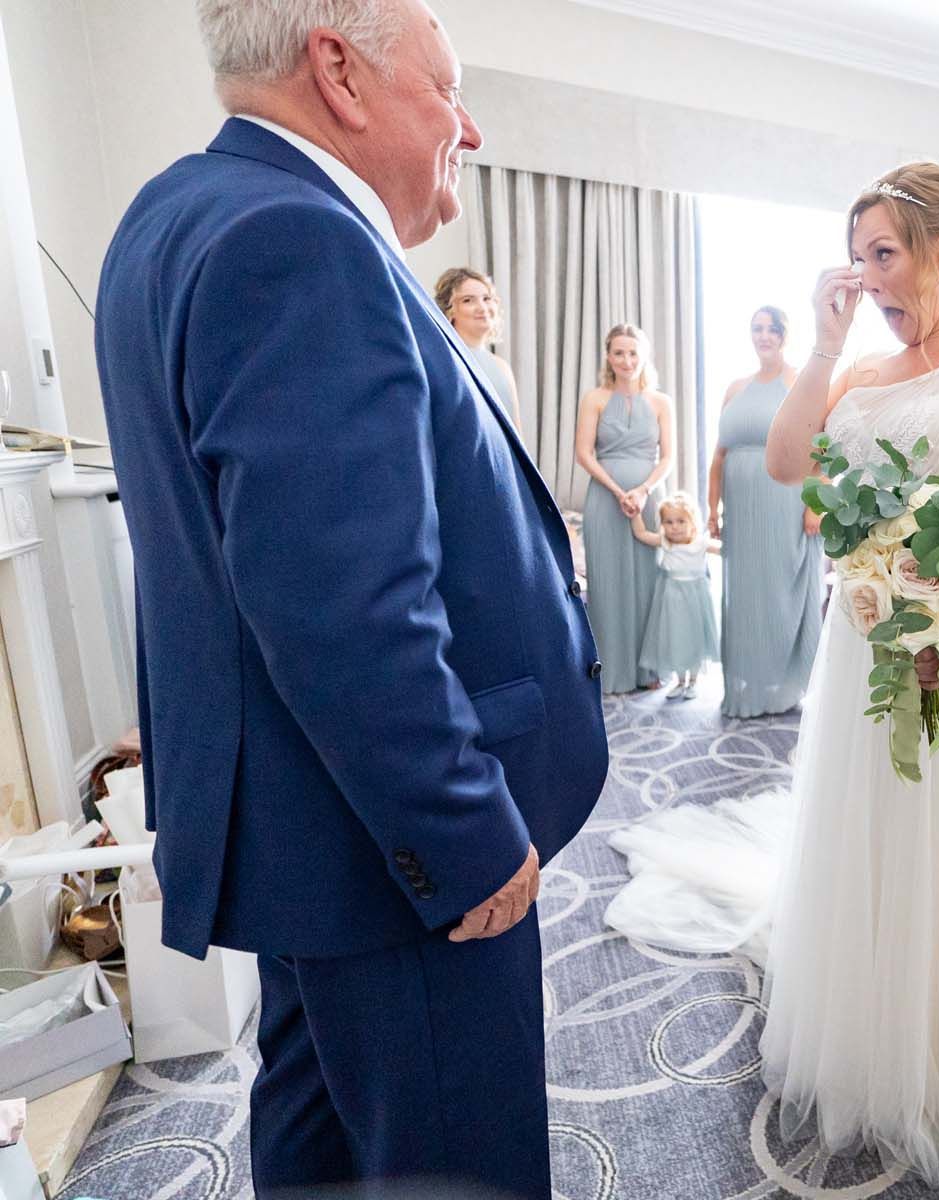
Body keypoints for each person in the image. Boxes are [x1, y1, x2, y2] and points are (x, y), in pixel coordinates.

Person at [93, 2, 608, 1196]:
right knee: (453, 1165)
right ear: (338, 71)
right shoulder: (300, 238)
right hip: (392, 855)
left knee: (321, 1130)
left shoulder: (175, 213)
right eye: (447, 88)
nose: (468, 127)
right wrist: (462, 839)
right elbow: (344, 604)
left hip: (305, 836)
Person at [605, 162, 939, 1188]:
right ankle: (875, 994)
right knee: (872, 817)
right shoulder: (860, 374)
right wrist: (828, 338)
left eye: (886, 255)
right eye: (858, 259)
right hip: (868, 637)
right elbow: (789, 462)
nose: (871, 278)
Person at [707, 306, 823, 718]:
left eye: (772, 329)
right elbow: (719, 454)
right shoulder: (735, 388)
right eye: (757, 328)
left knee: (778, 593)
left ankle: (784, 687)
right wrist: (711, 509)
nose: (764, 336)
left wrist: (816, 504)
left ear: (785, 335)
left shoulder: (798, 383)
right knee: (744, 596)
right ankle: (747, 684)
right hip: (740, 510)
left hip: (785, 502)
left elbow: (820, 451)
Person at [575, 324, 675, 693]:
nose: (626, 360)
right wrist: (619, 491)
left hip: (649, 499)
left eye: (633, 353)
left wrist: (643, 490)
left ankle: (649, 670)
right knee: (608, 582)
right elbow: (584, 453)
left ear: (644, 355)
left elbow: (668, 456)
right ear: (608, 356)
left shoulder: (661, 401)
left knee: (650, 582)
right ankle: (612, 670)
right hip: (605, 498)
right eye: (619, 352)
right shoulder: (595, 398)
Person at [629, 492, 720, 700]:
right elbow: (641, 534)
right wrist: (635, 515)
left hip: (696, 600)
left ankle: (694, 681)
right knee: (676, 638)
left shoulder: (700, 543)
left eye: (680, 521)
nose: (675, 527)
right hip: (672, 599)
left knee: (694, 638)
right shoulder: (665, 542)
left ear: (692, 522)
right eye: (668, 522)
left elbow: (725, 550)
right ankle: (680, 681)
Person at [434, 265, 520, 422]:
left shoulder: (502, 367)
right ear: (449, 311)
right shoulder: (444, 363)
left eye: (487, 299)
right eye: (468, 300)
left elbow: (516, 435)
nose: (482, 308)